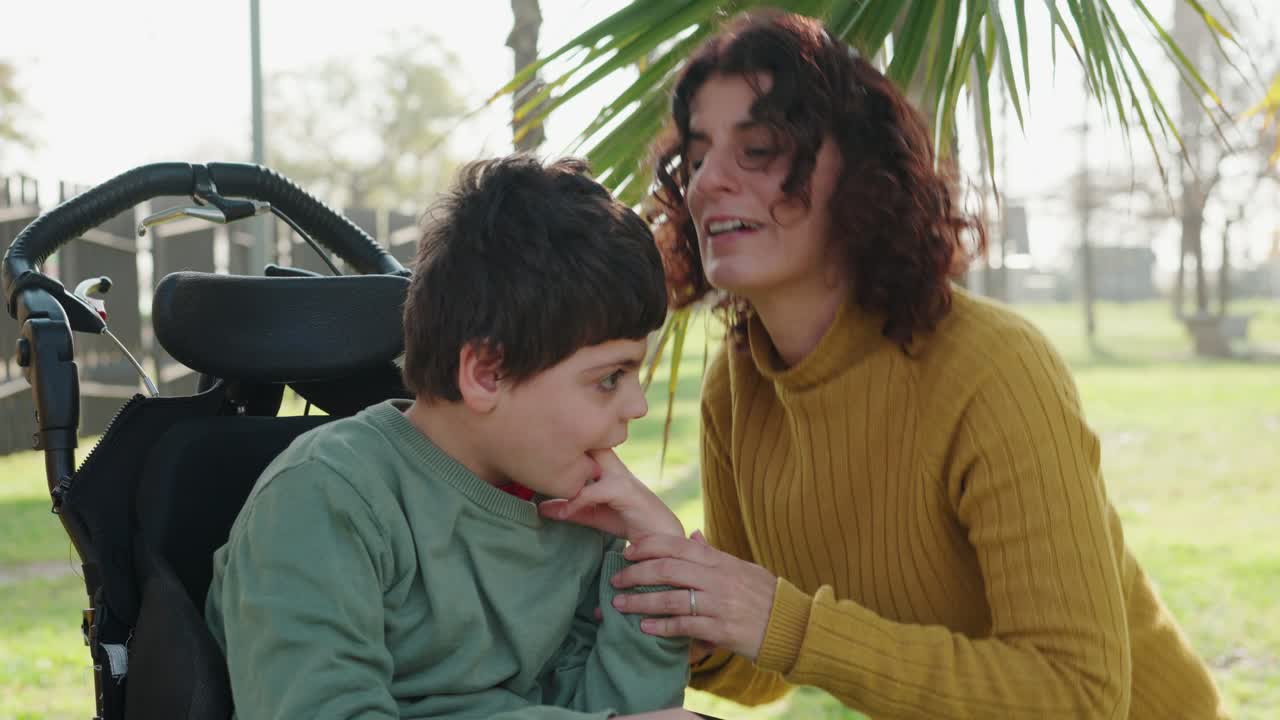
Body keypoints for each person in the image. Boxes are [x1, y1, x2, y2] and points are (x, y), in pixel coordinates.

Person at [543, 11, 1226, 719]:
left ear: (862, 177)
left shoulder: (994, 370)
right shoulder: (739, 388)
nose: (707, 181)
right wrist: (660, 597)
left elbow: (1078, 696)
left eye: (761, 148)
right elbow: (764, 668)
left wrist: (785, 620)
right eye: (697, 155)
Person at [205, 156, 702, 720]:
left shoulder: (577, 517)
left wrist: (656, 562)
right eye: (609, 378)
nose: (636, 406)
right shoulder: (325, 500)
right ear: (487, 373)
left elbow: (615, 709)